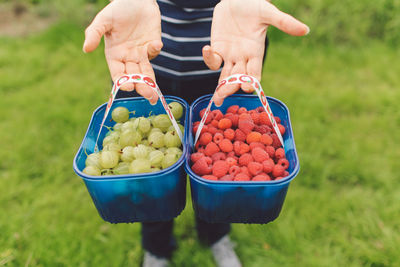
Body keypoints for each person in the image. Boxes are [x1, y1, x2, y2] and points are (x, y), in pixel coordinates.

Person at [83, 0, 309, 266]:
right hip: (141, 54)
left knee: (221, 172)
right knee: (152, 172)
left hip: (229, 49)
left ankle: (216, 235)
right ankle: (156, 247)